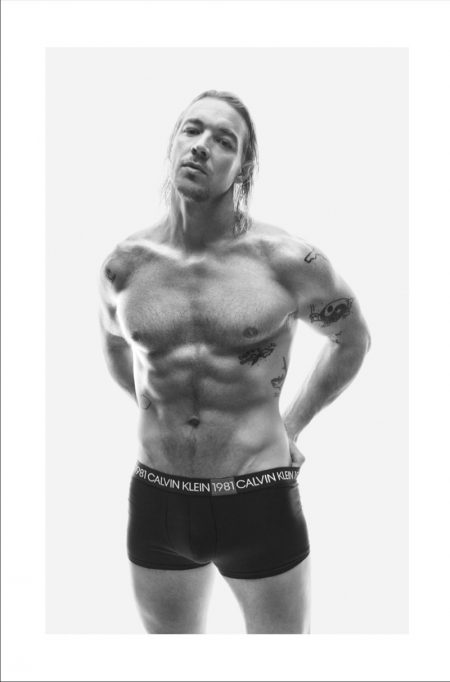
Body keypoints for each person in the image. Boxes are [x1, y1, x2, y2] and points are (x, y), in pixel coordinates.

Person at [98, 90, 371, 634]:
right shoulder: (124, 266)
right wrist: (162, 410)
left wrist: (291, 424)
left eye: (224, 140)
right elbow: (116, 345)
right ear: (173, 142)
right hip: (157, 500)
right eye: (192, 129)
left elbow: (352, 339)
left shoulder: (286, 261)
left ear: (242, 167)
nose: (202, 146)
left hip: (257, 497)